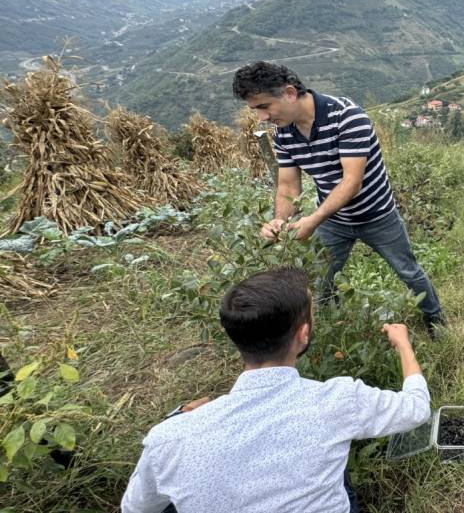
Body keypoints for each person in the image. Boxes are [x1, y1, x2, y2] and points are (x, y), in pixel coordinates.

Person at [121, 267, 430, 513]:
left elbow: (135, 507)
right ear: (304, 334)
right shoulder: (338, 402)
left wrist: (177, 418)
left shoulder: (167, 440)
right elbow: (416, 407)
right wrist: (403, 343)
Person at [231, 61, 445, 335]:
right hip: (333, 220)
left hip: (377, 215)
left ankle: (435, 319)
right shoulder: (284, 132)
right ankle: (331, 324)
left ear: (289, 93)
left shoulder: (347, 117)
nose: (262, 117)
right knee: (321, 279)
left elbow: (351, 181)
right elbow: (287, 185)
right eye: (256, 109)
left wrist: (314, 219)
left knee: (408, 271)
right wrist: (279, 221)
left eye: (264, 106)